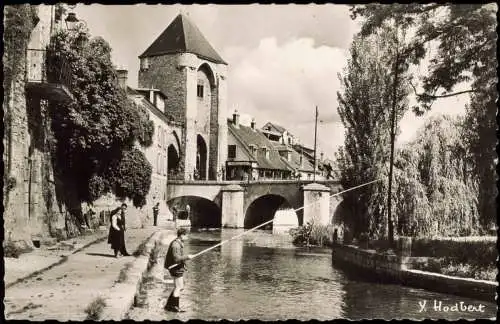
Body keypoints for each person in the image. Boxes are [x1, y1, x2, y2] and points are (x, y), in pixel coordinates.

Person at [164, 228, 193, 312]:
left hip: (177, 267)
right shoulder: (176, 245)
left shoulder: (178, 242)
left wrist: (185, 264)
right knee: (179, 287)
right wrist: (187, 257)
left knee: (180, 286)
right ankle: (174, 307)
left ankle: (169, 305)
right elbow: (176, 259)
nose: (187, 237)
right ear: (182, 235)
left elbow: (179, 258)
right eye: (186, 235)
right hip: (174, 268)